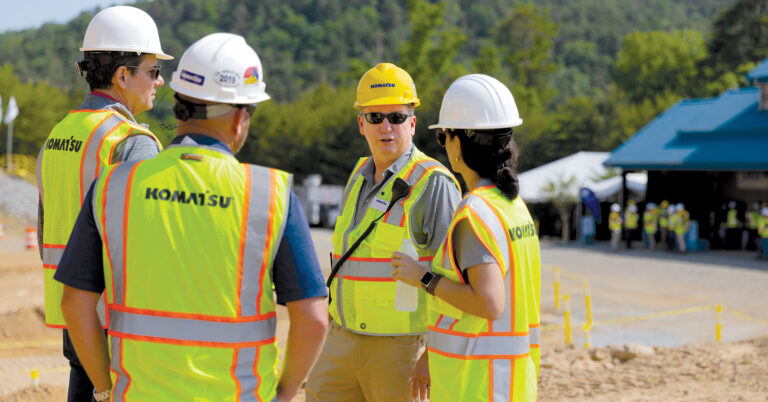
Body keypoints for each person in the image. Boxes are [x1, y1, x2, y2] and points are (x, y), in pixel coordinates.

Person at [55, 33, 328, 401]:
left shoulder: (112, 187)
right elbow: (312, 319)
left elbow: (74, 303)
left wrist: (104, 391)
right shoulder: (270, 195)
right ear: (239, 118)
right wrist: (284, 393)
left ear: (178, 106)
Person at [35, 6, 172, 400]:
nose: (160, 82)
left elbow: (46, 228)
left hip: (72, 313)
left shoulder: (59, 134)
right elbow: (144, 245)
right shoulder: (132, 142)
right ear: (122, 75)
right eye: (153, 70)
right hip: (117, 324)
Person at [306, 63, 461, 402]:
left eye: (396, 117)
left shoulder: (433, 182)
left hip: (400, 347)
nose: (386, 127)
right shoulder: (358, 174)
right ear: (361, 124)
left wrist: (433, 355)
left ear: (413, 123)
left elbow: (456, 276)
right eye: (375, 118)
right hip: (342, 337)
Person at [392, 74, 540, 401]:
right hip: (512, 382)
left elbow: (488, 302)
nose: (444, 146)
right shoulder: (513, 206)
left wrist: (423, 278)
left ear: (458, 142)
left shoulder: (475, 214)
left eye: (444, 136)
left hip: (477, 385)